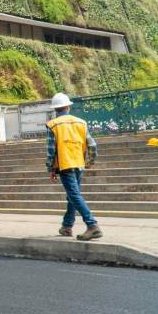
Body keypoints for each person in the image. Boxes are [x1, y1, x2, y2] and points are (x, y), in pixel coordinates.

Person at [46, 92, 102, 241]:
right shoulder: (81, 122)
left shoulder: (53, 125)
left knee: (74, 195)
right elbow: (92, 144)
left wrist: (50, 168)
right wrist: (91, 161)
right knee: (72, 195)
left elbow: (51, 150)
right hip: (79, 163)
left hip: (65, 165)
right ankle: (67, 226)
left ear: (55, 109)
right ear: (68, 107)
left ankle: (92, 225)